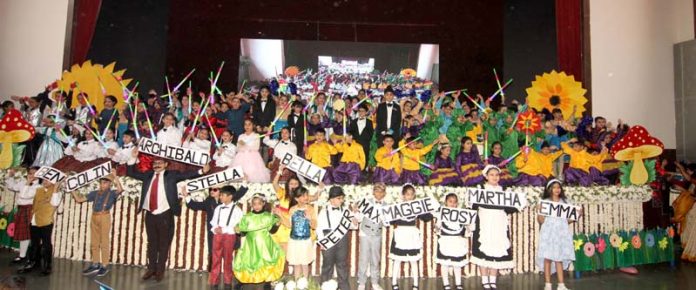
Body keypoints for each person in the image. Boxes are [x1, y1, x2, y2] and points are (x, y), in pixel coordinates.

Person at [126, 156, 210, 282]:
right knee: (152, 243)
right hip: (149, 213)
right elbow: (131, 172)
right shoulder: (148, 175)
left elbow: (187, 174)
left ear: (166, 164)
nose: (157, 165)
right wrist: (132, 157)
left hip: (165, 214)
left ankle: (160, 271)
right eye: (155, 162)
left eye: (160, 163)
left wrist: (202, 171)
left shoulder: (172, 175)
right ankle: (151, 269)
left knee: (164, 244)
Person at [470, 165, 520, 289]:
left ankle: (492, 279)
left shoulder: (504, 190)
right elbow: (473, 207)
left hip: (499, 223)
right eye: (491, 175)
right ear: (486, 176)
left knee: (497, 249)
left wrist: (517, 203)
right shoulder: (480, 189)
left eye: (497, 175)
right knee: (483, 249)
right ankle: (484, 279)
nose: (494, 177)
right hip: (484, 223)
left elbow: (509, 209)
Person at [71, 171, 123, 277]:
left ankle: (104, 265)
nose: (103, 184)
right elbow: (79, 199)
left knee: (104, 241)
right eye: (101, 182)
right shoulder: (94, 193)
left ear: (110, 184)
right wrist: (72, 190)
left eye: (105, 182)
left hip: (104, 216)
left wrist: (115, 177)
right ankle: (95, 263)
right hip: (94, 217)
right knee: (94, 241)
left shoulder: (112, 193)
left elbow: (120, 190)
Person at [233, 193, 285, 288]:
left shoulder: (268, 216)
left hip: (264, 244)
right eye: (254, 204)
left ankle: (267, 281)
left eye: (259, 203)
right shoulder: (247, 217)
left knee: (266, 261)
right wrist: (238, 231)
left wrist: (276, 225)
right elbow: (243, 232)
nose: (256, 206)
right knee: (248, 261)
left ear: (263, 203)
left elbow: (272, 231)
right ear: (251, 205)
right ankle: (243, 280)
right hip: (251, 244)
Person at [389, 184, 433, 290]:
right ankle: (394, 282)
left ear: (414, 196)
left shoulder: (416, 207)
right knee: (397, 259)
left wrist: (430, 209)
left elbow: (427, 217)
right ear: (403, 196)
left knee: (413, 260)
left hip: (412, 235)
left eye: (412, 194)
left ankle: (416, 283)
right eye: (407, 194)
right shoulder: (398, 207)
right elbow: (391, 220)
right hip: (400, 234)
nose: (410, 196)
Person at [536, 180, 577, 290]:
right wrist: (540, 211)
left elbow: (567, 220)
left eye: (558, 187)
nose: (556, 189)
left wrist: (577, 215)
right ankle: (548, 284)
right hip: (548, 233)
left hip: (560, 233)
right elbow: (540, 220)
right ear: (549, 189)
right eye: (554, 187)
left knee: (559, 258)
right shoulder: (544, 203)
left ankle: (561, 284)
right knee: (548, 258)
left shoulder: (565, 202)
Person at [19, 175, 63, 275]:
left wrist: (55, 189)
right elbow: (23, 195)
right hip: (34, 221)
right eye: (44, 179)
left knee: (46, 244)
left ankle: (47, 266)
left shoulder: (57, 192)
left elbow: (55, 203)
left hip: (46, 221)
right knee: (34, 244)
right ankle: (33, 263)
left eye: (48, 179)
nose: (45, 181)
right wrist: (28, 182)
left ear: (53, 181)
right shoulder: (38, 189)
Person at [317, 187, 354, 290]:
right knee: (327, 265)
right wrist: (322, 242)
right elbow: (319, 228)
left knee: (342, 264)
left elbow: (352, 226)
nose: (341, 200)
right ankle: (325, 286)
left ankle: (344, 287)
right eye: (339, 198)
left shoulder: (346, 211)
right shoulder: (324, 211)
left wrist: (354, 221)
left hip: (343, 239)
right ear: (331, 199)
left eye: (342, 198)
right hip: (328, 238)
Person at [208, 185, 244, 290]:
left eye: (222, 195)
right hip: (217, 236)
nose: (220, 197)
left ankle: (228, 281)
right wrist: (215, 228)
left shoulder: (237, 210)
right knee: (215, 258)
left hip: (229, 235)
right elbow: (213, 221)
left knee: (228, 258)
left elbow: (238, 225)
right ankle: (214, 281)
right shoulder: (218, 208)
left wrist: (223, 229)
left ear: (230, 196)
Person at [4, 167, 41, 264]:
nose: (31, 174)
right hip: (21, 209)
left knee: (27, 234)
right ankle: (22, 255)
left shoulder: (38, 187)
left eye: (34, 173)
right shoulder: (23, 182)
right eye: (30, 172)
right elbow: (12, 187)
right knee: (23, 234)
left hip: (29, 209)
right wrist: (10, 177)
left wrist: (27, 183)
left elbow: (25, 195)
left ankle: (26, 256)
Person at [435, 193, 471, 290]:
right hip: (446, 241)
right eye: (450, 201)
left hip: (457, 241)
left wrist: (468, 227)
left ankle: (458, 282)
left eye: (455, 202)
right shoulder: (441, 214)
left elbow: (466, 228)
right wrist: (437, 227)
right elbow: (437, 227)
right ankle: (446, 283)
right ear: (446, 202)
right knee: (445, 263)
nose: (453, 204)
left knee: (457, 263)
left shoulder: (461, 214)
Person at [355, 183, 387, 290]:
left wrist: (386, 218)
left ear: (384, 193)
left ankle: (375, 282)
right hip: (365, 233)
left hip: (377, 235)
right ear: (373, 192)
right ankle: (362, 281)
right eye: (377, 191)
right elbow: (359, 218)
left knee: (375, 259)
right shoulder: (366, 203)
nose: (379, 193)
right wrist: (356, 211)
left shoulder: (387, 206)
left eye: (381, 191)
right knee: (363, 258)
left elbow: (387, 223)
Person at [286, 187, 317, 278]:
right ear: (296, 198)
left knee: (305, 263)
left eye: (306, 195)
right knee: (296, 263)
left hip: (305, 240)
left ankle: (305, 283)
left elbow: (314, 226)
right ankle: (297, 283)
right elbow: (290, 225)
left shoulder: (310, 209)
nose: (306, 197)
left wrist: (309, 218)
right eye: (303, 196)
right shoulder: (292, 209)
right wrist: (280, 216)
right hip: (294, 240)